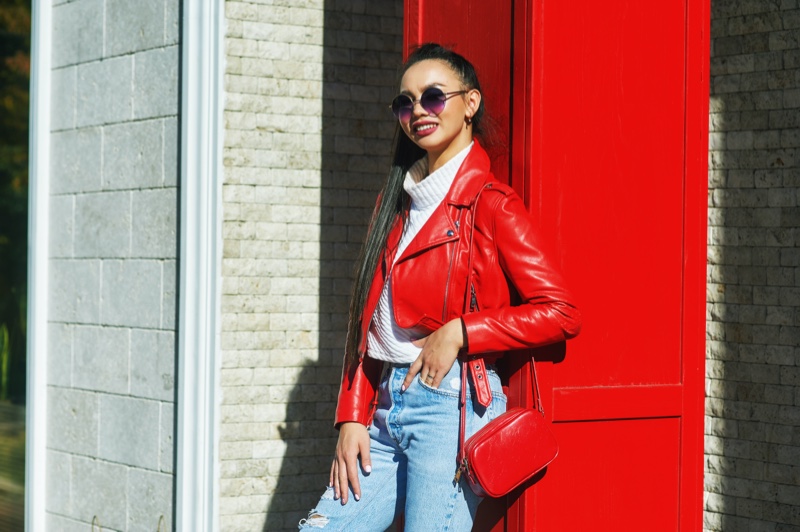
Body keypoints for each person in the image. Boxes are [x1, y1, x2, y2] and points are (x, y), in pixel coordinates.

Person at [299, 43, 581, 531]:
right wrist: (351, 416)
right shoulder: (396, 204)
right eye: (405, 103)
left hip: (451, 407)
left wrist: (462, 331)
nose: (417, 112)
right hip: (385, 409)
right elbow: (367, 325)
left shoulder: (491, 205)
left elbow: (560, 311)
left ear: (470, 103)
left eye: (433, 97)